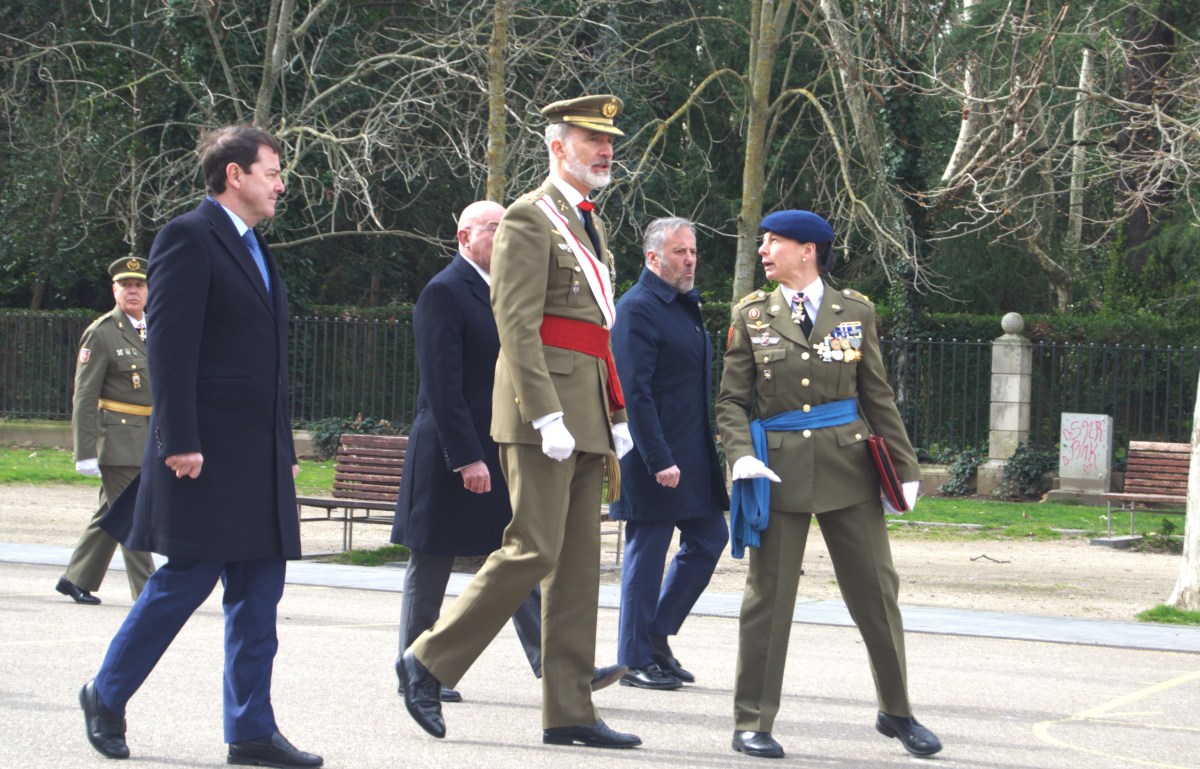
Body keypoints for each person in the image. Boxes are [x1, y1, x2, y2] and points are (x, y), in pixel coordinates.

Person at [398, 94, 640, 750]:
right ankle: (427, 660)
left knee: (579, 565)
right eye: (592, 138)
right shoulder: (533, 218)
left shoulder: (590, 224)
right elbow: (517, 323)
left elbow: (596, 331)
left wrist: (614, 410)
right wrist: (546, 412)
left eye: (609, 139)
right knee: (531, 547)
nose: (605, 150)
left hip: (586, 409)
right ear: (558, 146)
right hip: (546, 414)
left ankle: (569, 709)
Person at [79, 126, 322, 769]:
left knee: (260, 590)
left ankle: (250, 731)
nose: (280, 182)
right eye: (272, 170)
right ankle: (105, 695)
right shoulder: (188, 236)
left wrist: (283, 442)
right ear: (235, 175)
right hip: (206, 451)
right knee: (186, 579)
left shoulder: (258, 248)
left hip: (258, 453)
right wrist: (178, 439)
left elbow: (268, 360)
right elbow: (170, 347)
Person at [714, 209, 942, 760]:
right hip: (778, 471)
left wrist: (905, 470)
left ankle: (897, 711)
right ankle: (752, 722)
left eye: (775, 242)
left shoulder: (856, 311)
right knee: (768, 600)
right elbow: (731, 402)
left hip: (850, 469)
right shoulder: (751, 314)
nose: (764, 250)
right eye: (764, 241)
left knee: (876, 595)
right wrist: (741, 456)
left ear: (808, 250)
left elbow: (878, 397)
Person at [609, 217, 729, 690]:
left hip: (691, 455)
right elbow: (632, 393)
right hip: (651, 456)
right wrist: (658, 458)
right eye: (680, 252)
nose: (690, 260)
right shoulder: (637, 308)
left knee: (709, 541)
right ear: (653, 257)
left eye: (693, 252)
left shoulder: (683, 307)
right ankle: (633, 659)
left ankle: (656, 636)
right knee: (648, 553)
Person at [56, 257, 156, 605]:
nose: (133, 291)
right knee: (134, 514)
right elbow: (84, 397)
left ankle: (76, 577)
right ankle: (149, 592)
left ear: (148, 290)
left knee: (112, 513)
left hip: (147, 437)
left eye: (139, 285)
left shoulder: (155, 328)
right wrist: (84, 451)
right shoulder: (102, 333)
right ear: (114, 290)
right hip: (116, 439)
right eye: (125, 285)